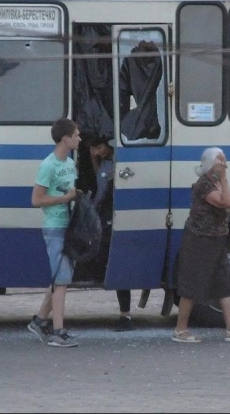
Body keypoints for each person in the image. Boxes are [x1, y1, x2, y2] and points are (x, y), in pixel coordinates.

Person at [172, 147, 230, 343]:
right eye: (220, 161)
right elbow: (226, 202)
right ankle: (180, 330)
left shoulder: (217, 182)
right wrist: (225, 178)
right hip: (200, 239)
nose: (224, 165)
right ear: (211, 165)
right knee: (192, 284)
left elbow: (229, 201)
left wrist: (223, 179)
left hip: (217, 238)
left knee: (224, 282)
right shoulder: (204, 185)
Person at [26, 118, 81, 348]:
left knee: (60, 277)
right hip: (54, 225)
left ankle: (39, 321)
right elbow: (36, 200)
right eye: (76, 135)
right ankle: (58, 332)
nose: (79, 139)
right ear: (65, 138)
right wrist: (64, 198)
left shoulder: (70, 163)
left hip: (67, 225)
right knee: (61, 282)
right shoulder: (48, 165)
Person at [86, 135, 136, 332]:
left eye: (99, 147)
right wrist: (95, 157)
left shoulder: (118, 165)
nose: (96, 152)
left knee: (116, 261)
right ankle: (125, 314)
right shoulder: (105, 163)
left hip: (111, 216)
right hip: (103, 215)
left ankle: (126, 314)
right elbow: (98, 177)